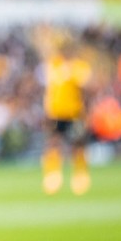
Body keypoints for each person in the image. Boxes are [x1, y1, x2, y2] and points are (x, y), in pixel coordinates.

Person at [40, 38, 92, 195]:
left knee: (78, 145)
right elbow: (49, 90)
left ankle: (80, 176)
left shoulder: (79, 66)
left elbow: (85, 89)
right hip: (57, 112)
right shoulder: (53, 65)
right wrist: (47, 109)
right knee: (53, 144)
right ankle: (53, 176)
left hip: (74, 112)